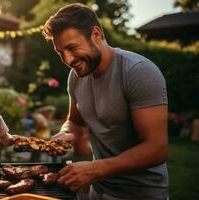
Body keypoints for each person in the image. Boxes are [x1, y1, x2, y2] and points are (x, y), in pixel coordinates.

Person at [43, 3, 168, 200]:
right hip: (98, 190)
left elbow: (157, 148)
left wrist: (93, 170)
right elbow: (75, 121)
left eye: (72, 48)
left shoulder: (138, 72)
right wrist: (65, 134)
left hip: (140, 194)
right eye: (60, 53)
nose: (68, 59)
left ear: (96, 35)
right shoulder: (76, 77)